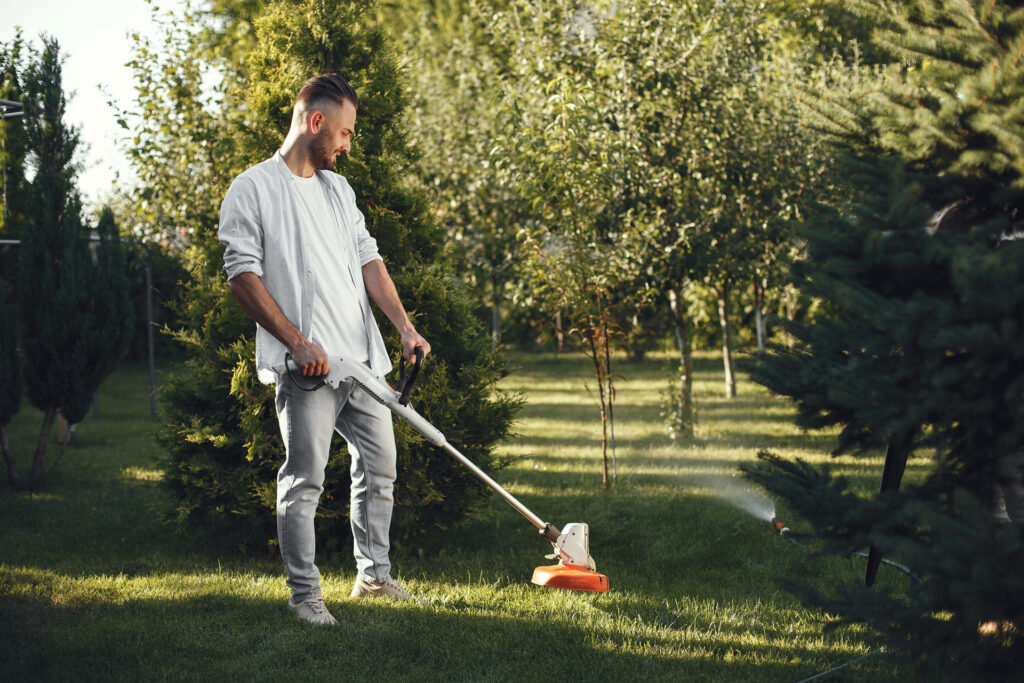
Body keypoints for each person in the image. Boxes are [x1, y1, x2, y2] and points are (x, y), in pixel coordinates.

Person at [218, 73, 430, 625]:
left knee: (380, 468)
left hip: (361, 364)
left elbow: (369, 260)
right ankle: (305, 596)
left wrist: (404, 327)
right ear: (316, 123)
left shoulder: (339, 192)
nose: (346, 145)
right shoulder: (253, 188)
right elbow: (242, 274)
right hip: (308, 368)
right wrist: (296, 342)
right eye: (344, 133)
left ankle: (374, 578)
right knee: (304, 480)